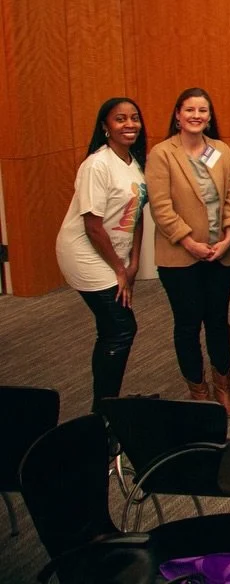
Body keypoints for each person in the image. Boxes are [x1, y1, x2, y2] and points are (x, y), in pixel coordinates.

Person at [145, 88, 230, 415]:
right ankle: (198, 390)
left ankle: (223, 386)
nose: (196, 116)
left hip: (220, 252)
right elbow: (161, 207)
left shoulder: (221, 151)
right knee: (188, 324)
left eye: (203, 110)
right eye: (189, 110)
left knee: (218, 322)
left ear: (210, 116)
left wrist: (228, 236)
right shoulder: (162, 153)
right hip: (180, 256)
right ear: (177, 114)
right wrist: (189, 242)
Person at [55, 98, 148, 413]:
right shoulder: (97, 164)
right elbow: (92, 225)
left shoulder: (134, 162)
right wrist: (119, 270)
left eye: (134, 118)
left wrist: (134, 262)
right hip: (85, 251)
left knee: (114, 329)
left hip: (114, 256)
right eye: (120, 119)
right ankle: (103, 412)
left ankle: (108, 405)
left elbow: (137, 213)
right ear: (105, 126)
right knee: (121, 327)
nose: (129, 124)